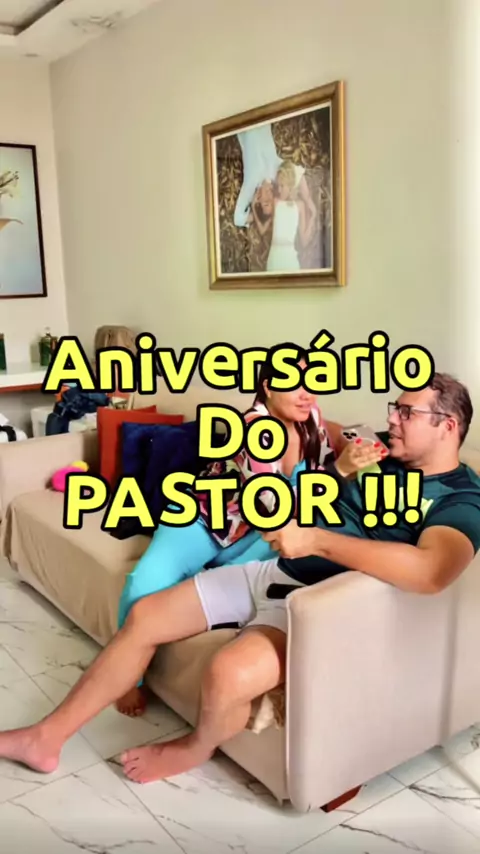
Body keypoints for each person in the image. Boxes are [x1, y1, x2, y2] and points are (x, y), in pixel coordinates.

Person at [0, 373, 478, 786]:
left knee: (226, 673)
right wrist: (341, 461)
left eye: (406, 412)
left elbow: (432, 572)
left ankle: (195, 748)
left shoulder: (460, 499)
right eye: (394, 407)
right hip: (273, 567)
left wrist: (317, 540)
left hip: (314, 602)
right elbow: (325, 445)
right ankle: (45, 738)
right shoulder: (385, 455)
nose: (392, 418)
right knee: (145, 615)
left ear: (448, 426)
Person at [115, 346, 384, 715]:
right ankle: (128, 679)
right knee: (144, 583)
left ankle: (203, 582)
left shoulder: (311, 418)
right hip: (204, 519)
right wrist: (339, 471)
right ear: (268, 387)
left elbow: (316, 480)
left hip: (258, 533)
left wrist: (353, 453)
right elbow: (271, 500)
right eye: (294, 384)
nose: (307, 394)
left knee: (251, 575)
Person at [233, 123, 316, 236]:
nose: (269, 197)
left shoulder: (250, 185)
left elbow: (238, 219)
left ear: (259, 201)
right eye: (271, 201)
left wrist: (253, 209)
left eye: (265, 203)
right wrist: (309, 201)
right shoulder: (276, 174)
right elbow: (298, 173)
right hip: (262, 119)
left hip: (243, 121)